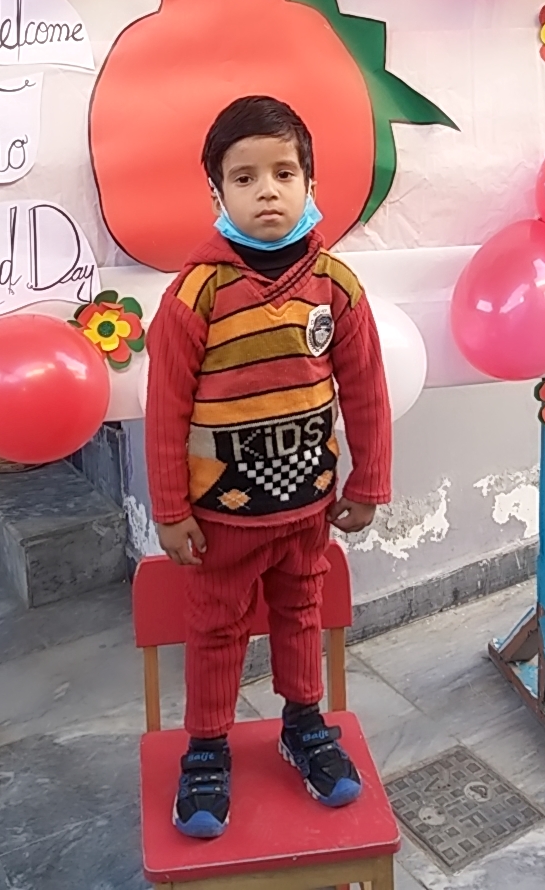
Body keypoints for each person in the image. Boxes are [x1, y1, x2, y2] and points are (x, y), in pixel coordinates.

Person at [145, 95, 392, 839]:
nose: (268, 192)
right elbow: (165, 411)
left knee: (301, 612)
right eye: (245, 178)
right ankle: (206, 747)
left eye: (284, 173)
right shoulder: (195, 295)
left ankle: (304, 724)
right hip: (222, 521)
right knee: (216, 629)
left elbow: (367, 392)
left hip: (308, 513)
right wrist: (170, 511)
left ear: (310, 182)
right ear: (216, 192)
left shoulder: (336, 286)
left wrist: (368, 483)